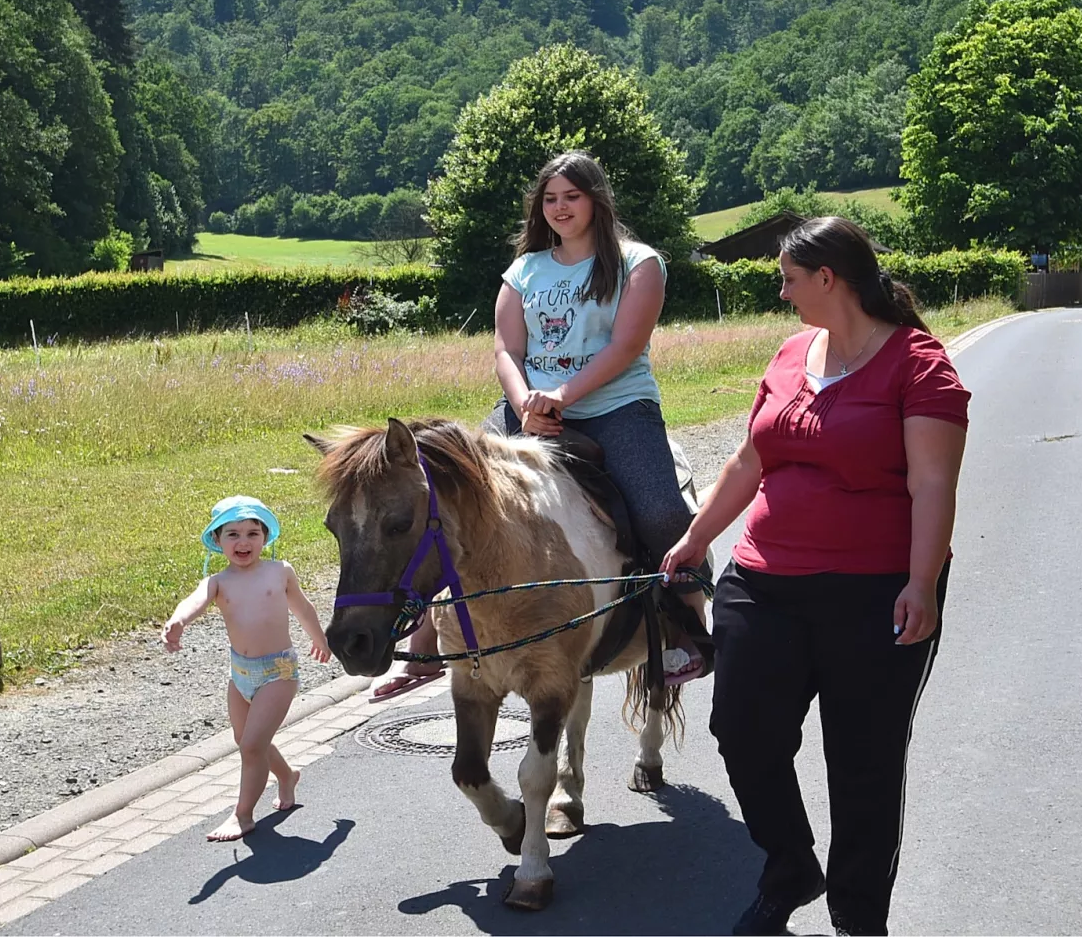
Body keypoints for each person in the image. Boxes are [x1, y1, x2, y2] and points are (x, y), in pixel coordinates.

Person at [660, 217, 970, 937]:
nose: (781, 289)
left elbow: (932, 484)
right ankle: (790, 863)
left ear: (828, 279)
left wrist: (921, 582)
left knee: (863, 764)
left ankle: (859, 918)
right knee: (743, 729)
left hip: (876, 591)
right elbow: (748, 461)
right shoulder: (792, 351)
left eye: (789, 277)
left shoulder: (919, 365)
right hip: (766, 581)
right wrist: (696, 536)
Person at [372, 149, 708, 701]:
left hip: (617, 408)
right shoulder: (525, 269)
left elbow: (626, 346)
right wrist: (527, 400)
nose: (560, 208)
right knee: (449, 497)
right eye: (550, 199)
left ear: (596, 199)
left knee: (662, 511)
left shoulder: (638, 262)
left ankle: (685, 630)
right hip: (526, 406)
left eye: (571, 196)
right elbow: (506, 347)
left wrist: (562, 395)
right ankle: (431, 640)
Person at [161, 496, 331, 841]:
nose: (243, 542)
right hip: (240, 673)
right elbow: (193, 601)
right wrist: (178, 621)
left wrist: (321, 639)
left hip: (279, 671)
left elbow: (302, 606)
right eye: (233, 534)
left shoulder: (279, 571)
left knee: (252, 745)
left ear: (265, 538)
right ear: (218, 540)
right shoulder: (218, 581)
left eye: (253, 533)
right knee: (246, 739)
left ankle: (242, 815)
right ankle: (286, 775)